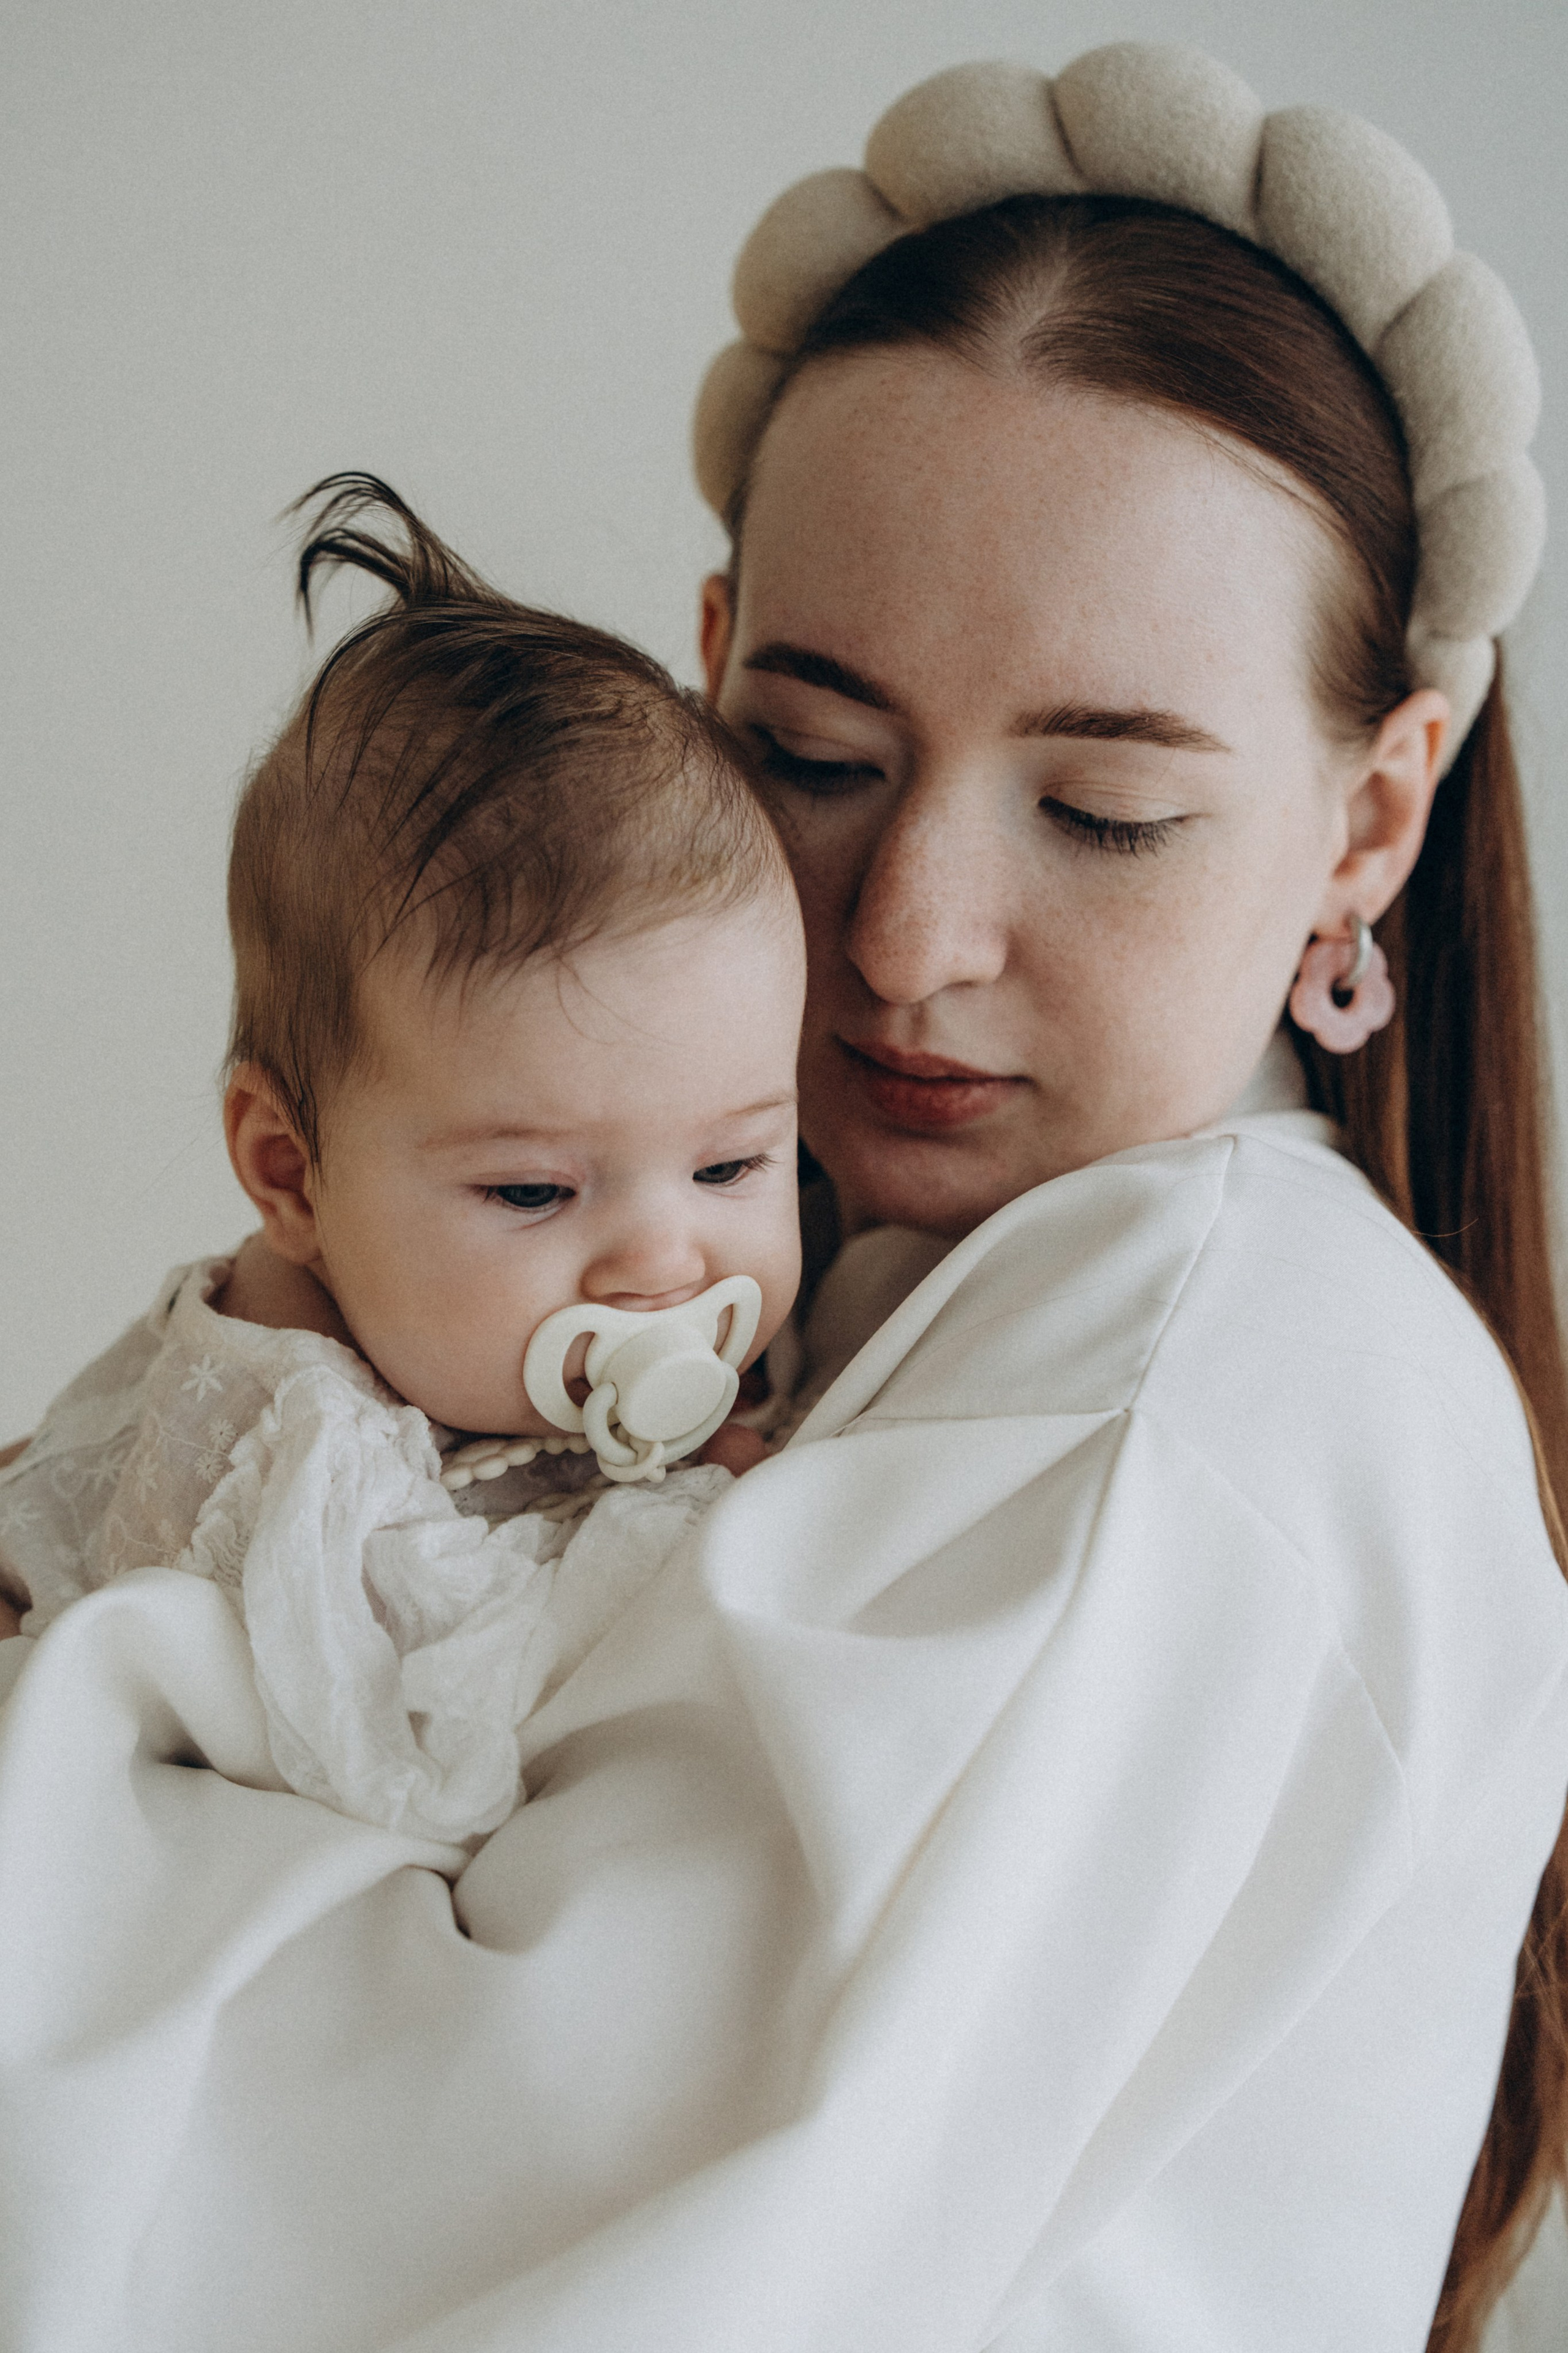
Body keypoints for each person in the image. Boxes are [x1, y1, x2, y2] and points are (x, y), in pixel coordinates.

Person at [0, 43, 1564, 2353]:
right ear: (709, 663)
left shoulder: (1198, 1390)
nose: (909, 931)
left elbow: (434, 2218)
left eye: (1107, 810)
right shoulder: (791, 1303)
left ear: (1369, 821)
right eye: (815, 760)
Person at [0, 474, 804, 1843]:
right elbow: (422, 1778)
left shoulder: (445, 1339)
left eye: (732, 1167)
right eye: (535, 1191)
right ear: (292, 1176)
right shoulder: (304, 1459)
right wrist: (690, 1527)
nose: (666, 1260)